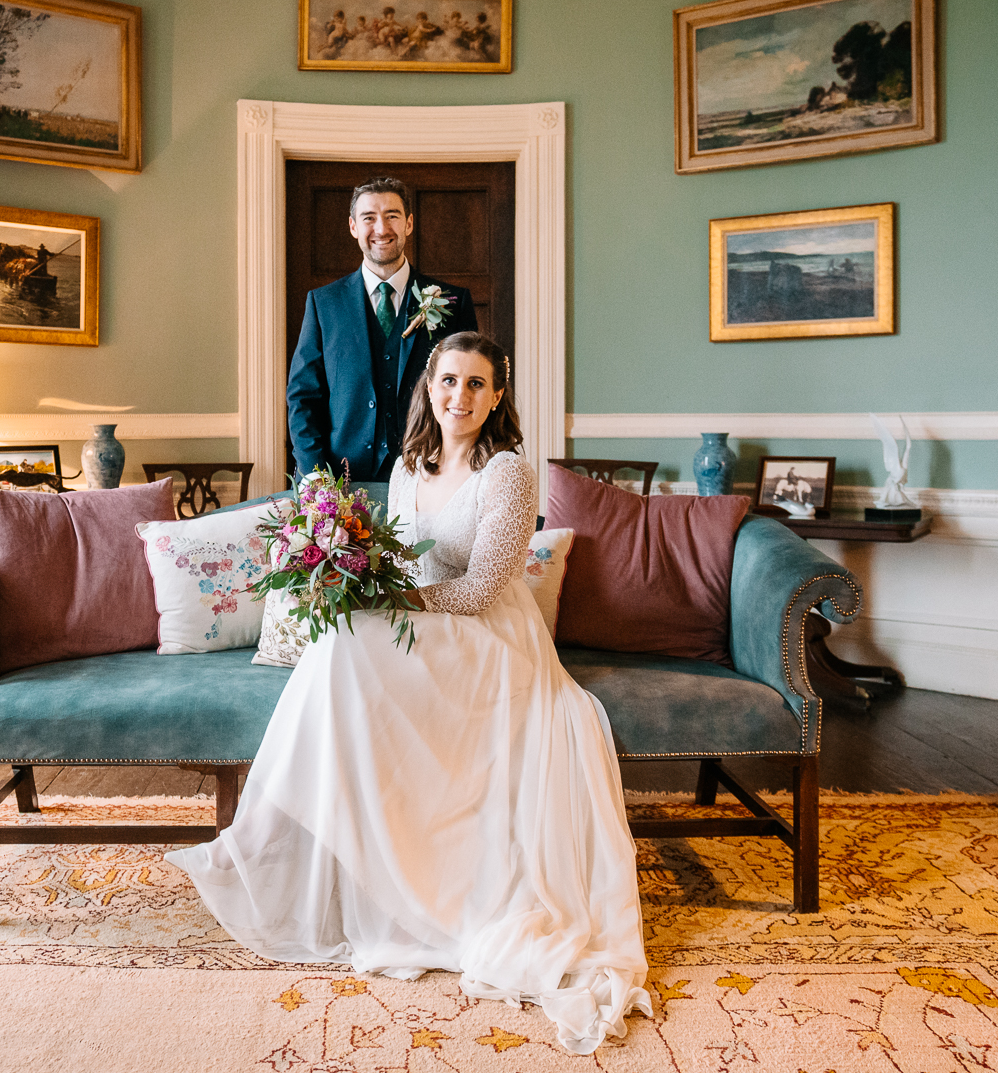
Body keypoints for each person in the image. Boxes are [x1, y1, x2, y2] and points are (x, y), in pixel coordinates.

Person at [170, 333, 651, 1055]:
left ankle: (299, 835)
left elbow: (484, 588)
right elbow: (398, 558)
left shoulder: (510, 473)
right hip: (428, 624)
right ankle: (305, 847)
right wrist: (356, 586)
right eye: (448, 381)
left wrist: (386, 602)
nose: (459, 397)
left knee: (348, 643)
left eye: (476, 385)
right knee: (338, 640)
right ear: (429, 387)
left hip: (492, 639)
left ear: (497, 397)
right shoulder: (405, 467)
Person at [286, 177, 477, 482]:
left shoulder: (452, 302)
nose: (381, 228)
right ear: (353, 227)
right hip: (341, 484)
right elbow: (303, 397)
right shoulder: (324, 304)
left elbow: (470, 394)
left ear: (409, 223)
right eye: (369, 218)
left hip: (431, 478)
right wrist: (314, 475)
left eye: (392, 216)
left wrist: (462, 470)